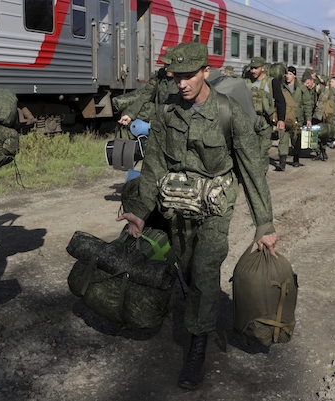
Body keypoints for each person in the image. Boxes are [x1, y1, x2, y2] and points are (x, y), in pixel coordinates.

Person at [116, 42, 278, 390]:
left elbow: (252, 170)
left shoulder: (228, 112)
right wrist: (141, 212)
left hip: (215, 208)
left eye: (190, 76)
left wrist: (264, 225)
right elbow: (154, 164)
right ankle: (198, 309)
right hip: (178, 204)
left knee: (204, 270)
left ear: (206, 71)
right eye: (177, 77)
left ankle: (197, 347)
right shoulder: (166, 112)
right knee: (187, 267)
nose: (183, 84)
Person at [247, 56, 285, 170]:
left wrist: (281, 119)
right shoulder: (247, 81)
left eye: (256, 68)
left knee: (263, 150)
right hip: (249, 121)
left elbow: (280, 101)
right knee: (250, 151)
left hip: (265, 122)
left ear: (263, 68)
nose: (253, 71)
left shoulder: (271, 82)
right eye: (252, 68)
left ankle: (261, 176)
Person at [280, 66, 313, 166]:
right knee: (283, 139)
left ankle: (296, 159)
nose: (287, 76)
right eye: (286, 74)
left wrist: (308, 118)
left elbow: (307, 103)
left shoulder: (301, 88)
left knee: (296, 140)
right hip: (285, 116)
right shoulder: (282, 87)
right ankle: (282, 162)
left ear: (294, 75)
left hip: (297, 118)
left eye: (290, 74)